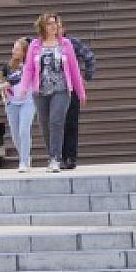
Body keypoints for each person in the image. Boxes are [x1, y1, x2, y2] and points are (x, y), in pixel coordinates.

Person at [17, 14, 86, 173]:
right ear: (43, 27)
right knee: (45, 125)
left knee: (56, 121)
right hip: (40, 91)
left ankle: (55, 158)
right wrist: (23, 88)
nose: (53, 26)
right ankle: (51, 155)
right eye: (49, 24)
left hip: (61, 89)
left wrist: (80, 92)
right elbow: (28, 69)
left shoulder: (65, 44)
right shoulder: (35, 45)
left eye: (55, 23)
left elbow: (74, 69)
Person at [0, 39, 35, 173]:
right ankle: (25, 156)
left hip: (27, 100)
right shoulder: (8, 66)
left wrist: (9, 83)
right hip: (12, 102)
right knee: (15, 134)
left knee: (24, 130)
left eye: (17, 49)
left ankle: (23, 161)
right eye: (13, 48)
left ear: (24, 52)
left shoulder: (28, 64)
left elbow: (22, 78)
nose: (14, 51)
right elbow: (3, 79)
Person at [60, 30, 95, 170]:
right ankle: (58, 156)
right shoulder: (43, 43)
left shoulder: (71, 42)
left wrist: (86, 76)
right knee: (56, 124)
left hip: (71, 86)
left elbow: (89, 56)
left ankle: (70, 157)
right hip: (51, 89)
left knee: (71, 123)